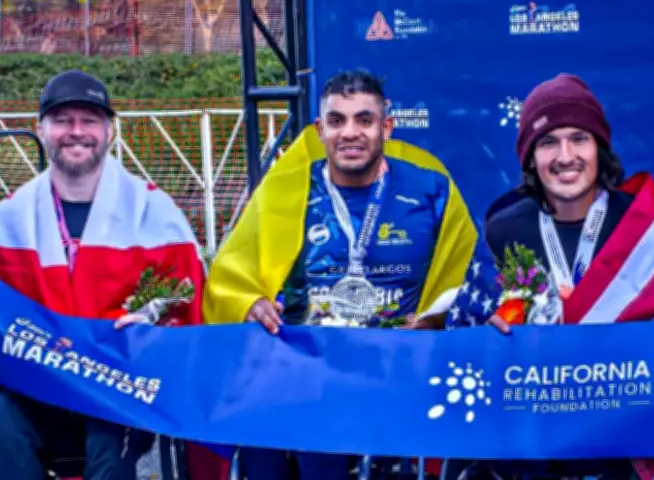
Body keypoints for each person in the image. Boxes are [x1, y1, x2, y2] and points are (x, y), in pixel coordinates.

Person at [204, 69, 477, 480]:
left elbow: (468, 276)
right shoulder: (286, 188)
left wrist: (435, 320)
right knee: (268, 435)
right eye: (337, 121)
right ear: (319, 129)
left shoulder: (431, 190)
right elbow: (232, 275)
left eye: (364, 120)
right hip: (304, 374)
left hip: (396, 371)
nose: (350, 133)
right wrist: (250, 302)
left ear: (387, 126)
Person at [0, 70, 214, 480]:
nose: (76, 132)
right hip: (33, 389)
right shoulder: (5, 222)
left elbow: (188, 311)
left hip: (119, 390)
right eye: (62, 120)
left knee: (112, 423)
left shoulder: (155, 216)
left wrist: (147, 332)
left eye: (89, 120)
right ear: (41, 130)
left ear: (109, 132)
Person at [446, 73, 654, 480]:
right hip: (532, 452)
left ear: (600, 147)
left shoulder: (644, 228)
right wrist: (491, 330)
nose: (565, 155)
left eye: (579, 138)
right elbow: (467, 337)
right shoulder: (504, 228)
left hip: (624, 452)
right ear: (530, 158)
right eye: (548, 142)